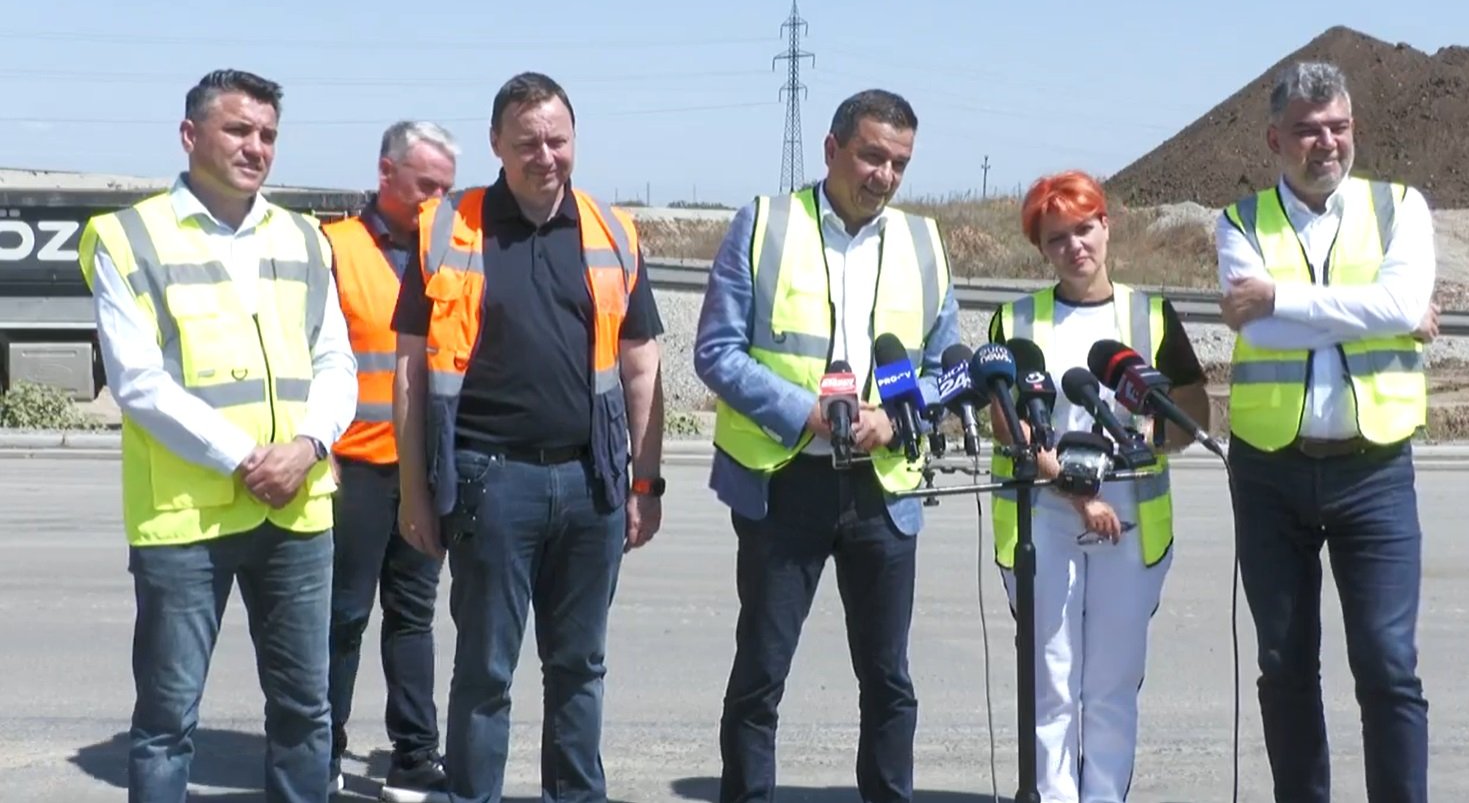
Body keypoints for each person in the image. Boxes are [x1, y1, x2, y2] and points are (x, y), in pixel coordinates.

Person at [77, 68, 357, 802]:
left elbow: (336, 360)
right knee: (167, 721)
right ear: (189, 134)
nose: (255, 146)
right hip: (185, 521)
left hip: (297, 511)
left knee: (305, 713)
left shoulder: (303, 237)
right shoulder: (130, 237)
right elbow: (138, 381)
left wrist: (308, 446)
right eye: (237, 129)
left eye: (267, 134)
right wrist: (246, 458)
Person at [390, 71, 666, 803]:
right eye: (527, 143)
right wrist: (414, 491)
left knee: (579, 667)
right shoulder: (447, 228)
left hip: (590, 484)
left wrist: (645, 483)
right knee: (485, 671)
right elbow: (410, 370)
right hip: (489, 483)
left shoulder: (612, 231)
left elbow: (642, 367)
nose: (545, 156)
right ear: (495, 144)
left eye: (557, 140)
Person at [694, 88, 959, 803]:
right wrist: (805, 413)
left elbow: (949, 366)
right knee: (760, 675)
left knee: (888, 679)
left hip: (883, 489)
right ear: (832, 148)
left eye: (899, 163)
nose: (884, 175)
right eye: (872, 156)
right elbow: (716, 352)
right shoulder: (764, 223)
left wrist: (897, 418)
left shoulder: (923, 242)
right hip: (786, 483)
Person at [1216, 60, 1435, 803]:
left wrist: (1280, 297)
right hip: (1268, 472)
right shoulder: (1239, 223)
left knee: (1387, 664)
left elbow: (1397, 303)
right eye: (1308, 130)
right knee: (1283, 665)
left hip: (1374, 472)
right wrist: (1380, 311)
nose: (1326, 142)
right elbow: (1265, 333)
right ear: (1274, 139)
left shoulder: (1399, 207)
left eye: (1338, 126)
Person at [986, 170, 1210, 802]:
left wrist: (1154, 430)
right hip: (1044, 518)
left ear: (1106, 226)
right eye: (1056, 238)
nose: (1074, 246)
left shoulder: (1150, 315)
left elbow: (1194, 413)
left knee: (1111, 686)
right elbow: (1006, 426)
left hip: (1131, 522)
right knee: (1051, 683)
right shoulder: (1017, 320)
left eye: (1084, 229)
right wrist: (1075, 491)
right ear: (1040, 248)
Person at [320, 120, 458, 801]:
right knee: (342, 615)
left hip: (423, 471)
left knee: (413, 615)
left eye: (446, 188)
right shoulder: (335, 248)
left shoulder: (450, 254)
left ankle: (413, 755)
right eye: (426, 185)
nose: (437, 199)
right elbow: (306, 357)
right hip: (353, 468)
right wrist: (318, 450)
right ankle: (321, 746)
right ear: (386, 173)